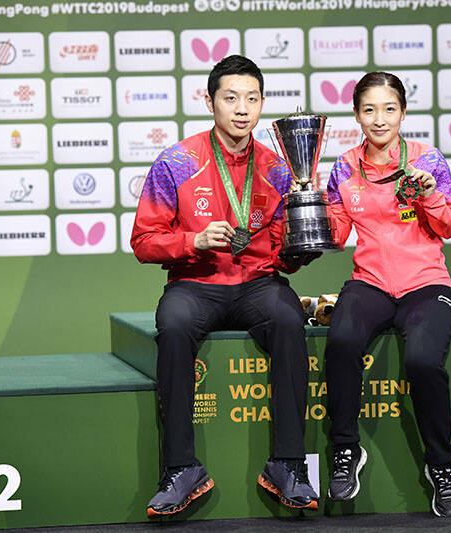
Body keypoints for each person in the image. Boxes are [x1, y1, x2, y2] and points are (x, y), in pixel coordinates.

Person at [131, 55, 319, 517]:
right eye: (231, 98)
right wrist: (192, 241)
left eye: (252, 99)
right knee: (174, 324)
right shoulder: (176, 162)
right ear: (209, 101)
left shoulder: (279, 169)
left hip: (257, 284)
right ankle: (182, 469)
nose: (242, 108)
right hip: (196, 283)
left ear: (262, 105)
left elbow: (282, 253)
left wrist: (300, 249)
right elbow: (143, 241)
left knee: (289, 319)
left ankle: (288, 465)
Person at [323, 71, 451, 517]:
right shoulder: (345, 167)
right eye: (369, 110)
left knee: (422, 361)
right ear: (356, 115)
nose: (379, 119)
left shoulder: (427, 160)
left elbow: (450, 225)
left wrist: (429, 197)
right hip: (370, 283)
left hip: (426, 283)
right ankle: (346, 450)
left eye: (388, 109)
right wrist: (310, 209)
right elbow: (337, 234)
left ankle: (441, 467)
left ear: (403, 112)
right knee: (341, 341)